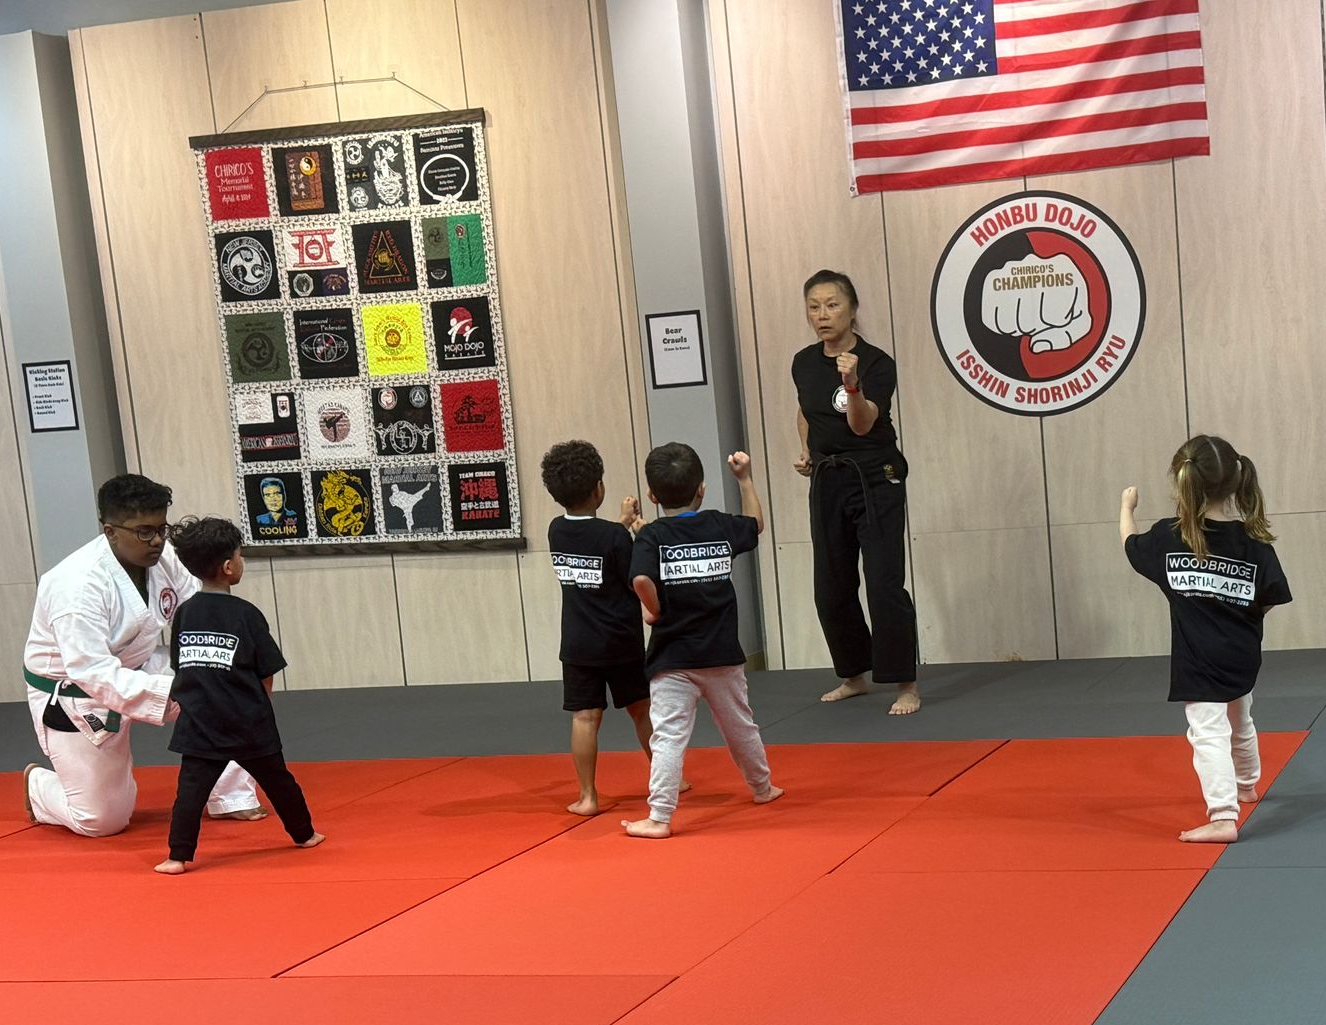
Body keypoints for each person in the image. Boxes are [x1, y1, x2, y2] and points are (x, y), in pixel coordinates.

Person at [22, 474, 263, 836]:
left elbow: (199, 609)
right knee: (102, 821)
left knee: (223, 674)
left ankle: (229, 795)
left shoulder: (164, 557)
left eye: (161, 529)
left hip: (140, 664)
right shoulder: (74, 586)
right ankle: (39, 787)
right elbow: (91, 670)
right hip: (75, 692)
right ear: (110, 531)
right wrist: (175, 691)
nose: (156, 541)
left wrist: (215, 661)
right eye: (144, 531)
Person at [1121, 435, 1291, 843]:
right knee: (1240, 718)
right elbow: (1270, 599)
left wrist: (1126, 508)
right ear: (1236, 480)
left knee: (1208, 733)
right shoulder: (1254, 545)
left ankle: (1222, 816)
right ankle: (1248, 784)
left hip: (1198, 660)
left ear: (1182, 485)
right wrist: (1237, 617)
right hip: (1242, 655)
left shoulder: (1167, 538)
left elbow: (1130, 545)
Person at [622, 443, 782, 839]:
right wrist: (745, 479)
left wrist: (652, 608)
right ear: (702, 489)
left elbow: (641, 577)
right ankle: (762, 787)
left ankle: (659, 816)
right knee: (740, 724)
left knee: (669, 735)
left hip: (672, 657)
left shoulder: (652, 537)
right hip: (721, 653)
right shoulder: (717, 525)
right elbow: (755, 523)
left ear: (653, 496)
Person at [156, 517, 324, 874]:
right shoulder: (246, 614)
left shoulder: (185, 613)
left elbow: (180, 665)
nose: (242, 561)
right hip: (248, 722)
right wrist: (261, 708)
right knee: (279, 782)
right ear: (229, 567)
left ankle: (178, 856)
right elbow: (266, 670)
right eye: (240, 555)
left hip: (199, 722)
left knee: (189, 793)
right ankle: (305, 834)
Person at [792, 269, 919, 714]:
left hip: (875, 476)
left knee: (884, 582)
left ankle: (905, 683)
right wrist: (807, 451)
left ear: (852, 309)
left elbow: (862, 423)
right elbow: (806, 411)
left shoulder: (877, 363)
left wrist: (852, 383)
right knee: (830, 585)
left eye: (832, 305)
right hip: (828, 478)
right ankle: (853, 675)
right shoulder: (803, 362)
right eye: (814, 307)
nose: (822, 315)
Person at [541, 440, 659, 816]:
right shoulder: (614, 537)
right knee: (642, 709)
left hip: (578, 642)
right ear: (599, 489)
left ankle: (588, 795)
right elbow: (627, 572)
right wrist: (632, 530)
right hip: (620, 640)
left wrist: (620, 526)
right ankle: (668, 777)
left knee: (585, 717)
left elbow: (594, 545)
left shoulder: (556, 530)